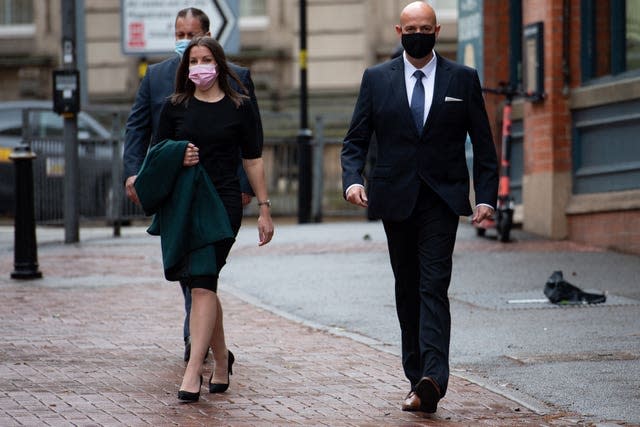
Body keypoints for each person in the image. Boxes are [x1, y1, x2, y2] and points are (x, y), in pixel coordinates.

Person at [341, 1, 498, 413]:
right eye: (411, 27)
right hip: (395, 199)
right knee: (407, 289)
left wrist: (485, 197)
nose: (418, 33)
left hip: (442, 199)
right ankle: (417, 378)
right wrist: (353, 180)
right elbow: (355, 140)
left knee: (433, 285)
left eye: (425, 27)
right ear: (399, 30)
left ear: (437, 30)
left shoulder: (462, 79)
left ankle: (434, 377)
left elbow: (483, 145)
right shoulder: (376, 79)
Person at [123, 7, 263, 362]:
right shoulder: (157, 78)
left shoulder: (237, 78)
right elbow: (141, 130)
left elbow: (251, 143)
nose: (184, 44)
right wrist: (135, 173)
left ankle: (194, 347)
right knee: (196, 275)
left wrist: (251, 190)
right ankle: (218, 356)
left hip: (222, 191)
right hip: (178, 191)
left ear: (208, 36)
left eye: (192, 36)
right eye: (179, 35)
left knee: (202, 275)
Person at [138, 35, 274, 402]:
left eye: (206, 59)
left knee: (201, 283)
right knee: (205, 284)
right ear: (186, 68)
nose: (200, 66)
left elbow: (253, 158)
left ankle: (191, 370)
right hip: (186, 203)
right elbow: (157, 155)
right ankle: (222, 360)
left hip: (224, 205)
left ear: (220, 64)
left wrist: (263, 208)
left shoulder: (240, 106)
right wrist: (178, 155)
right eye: (193, 60)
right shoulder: (174, 107)